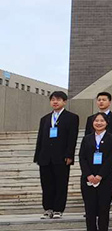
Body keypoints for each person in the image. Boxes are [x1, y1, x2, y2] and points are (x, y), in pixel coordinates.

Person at [34, 91, 79, 220]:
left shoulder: (71, 117)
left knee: (61, 183)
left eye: (58, 99)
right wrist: (37, 156)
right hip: (45, 157)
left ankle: (58, 209)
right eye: (53, 99)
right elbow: (40, 138)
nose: (55, 102)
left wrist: (69, 155)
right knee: (46, 184)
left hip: (61, 157)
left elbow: (72, 137)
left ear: (64, 102)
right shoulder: (45, 119)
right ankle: (48, 209)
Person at [78, 112, 112, 231]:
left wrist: (100, 175)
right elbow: (82, 158)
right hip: (88, 178)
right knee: (89, 207)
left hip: (105, 178)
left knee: (103, 206)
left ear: (107, 123)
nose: (99, 123)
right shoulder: (87, 138)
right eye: (96, 121)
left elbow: (111, 158)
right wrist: (89, 175)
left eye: (102, 121)